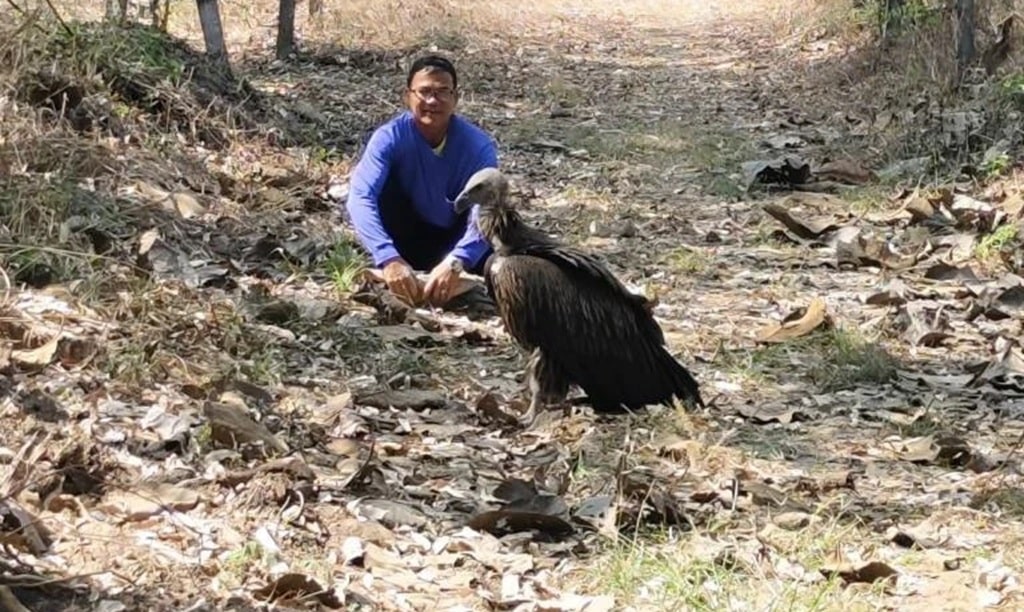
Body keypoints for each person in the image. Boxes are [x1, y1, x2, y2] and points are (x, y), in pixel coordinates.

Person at [344, 54, 499, 307]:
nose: (432, 101)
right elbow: (360, 197)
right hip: (405, 241)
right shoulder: (390, 138)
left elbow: (488, 210)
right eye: (424, 91)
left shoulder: (478, 147)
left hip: (457, 243)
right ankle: (399, 274)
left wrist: (458, 260)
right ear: (408, 96)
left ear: (455, 98)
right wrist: (388, 257)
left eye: (442, 92)